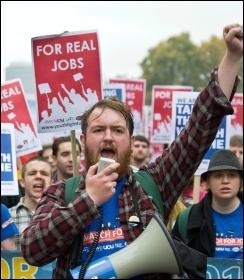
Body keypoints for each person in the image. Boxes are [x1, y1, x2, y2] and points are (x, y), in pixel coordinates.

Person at [21, 23, 243, 279]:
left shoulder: (154, 184)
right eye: (98, 130)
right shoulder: (62, 193)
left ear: (130, 140)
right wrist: (87, 201)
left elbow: (199, 129)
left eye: (117, 131)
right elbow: (32, 250)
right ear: (83, 140)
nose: (108, 137)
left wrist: (233, 56)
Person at [171, 149, 243, 260]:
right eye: (218, 175)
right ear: (208, 182)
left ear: (240, 181)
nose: (225, 181)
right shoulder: (187, 218)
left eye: (232, 175)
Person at [9, 156, 53, 249]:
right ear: (22, 182)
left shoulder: (61, 214)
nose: (38, 176)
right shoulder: (8, 216)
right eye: (32, 173)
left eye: (44, 173)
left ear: (52, 183)